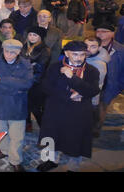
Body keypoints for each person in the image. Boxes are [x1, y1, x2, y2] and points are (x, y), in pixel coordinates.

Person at [37, 41, 100, 172]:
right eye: (75, 54)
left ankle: (73, 166)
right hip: (56, 108)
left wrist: (72, 78)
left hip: (79, 111)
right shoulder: (55, 67)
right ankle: (50, 160)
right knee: (51, 136)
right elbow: (46, 87)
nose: (79, 58)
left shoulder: (92, 71)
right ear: (66, 53)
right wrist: (68, 96)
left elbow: (93, 90)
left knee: (76, 139)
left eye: (82, 55)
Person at [0, 39, 33, 172]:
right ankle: (5, 150)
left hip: (16, 106)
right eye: (6, 51)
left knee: (17, 136)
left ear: (19, 52)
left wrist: (4, 80)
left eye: (13, 52)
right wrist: (14, 88)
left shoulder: (25, 64)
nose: (9, 55)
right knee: (0, 132)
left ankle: (15, 160)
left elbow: (27, 84)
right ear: (3, 49)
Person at [21, 26, 51, 132]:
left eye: (35, 35)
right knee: (24, 106)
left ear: (40, 37)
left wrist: (29, 81)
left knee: (36, 108)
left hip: (36, 84)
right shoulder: (24, 46)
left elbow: (40, 69)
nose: (32, 37)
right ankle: (27, 125)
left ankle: (46, 131)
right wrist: (31, 64)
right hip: (23, 81)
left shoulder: (44, 50)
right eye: (30, 34)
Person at [84, 37, 110, 138]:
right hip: (82, 95)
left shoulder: (99, 64)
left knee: (90, 120)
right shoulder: (84, 57)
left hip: (91, 98)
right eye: (86, 46)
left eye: (93, 47)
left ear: (99, 48)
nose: (88, 49)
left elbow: (97, 85)